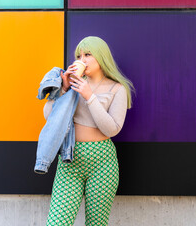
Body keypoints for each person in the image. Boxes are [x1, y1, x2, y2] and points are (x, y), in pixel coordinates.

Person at [44, 36, 135, 226]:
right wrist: (63, 89)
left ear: (101, 57)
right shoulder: (71, 84)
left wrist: (89, 96)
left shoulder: (117, 89)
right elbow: (49, 117)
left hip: (103, 162)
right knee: (57, 222)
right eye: (79, 55)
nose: (81, 59)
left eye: (87, 54)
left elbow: (112, 129)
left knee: (96, 223)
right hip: (70, 160)